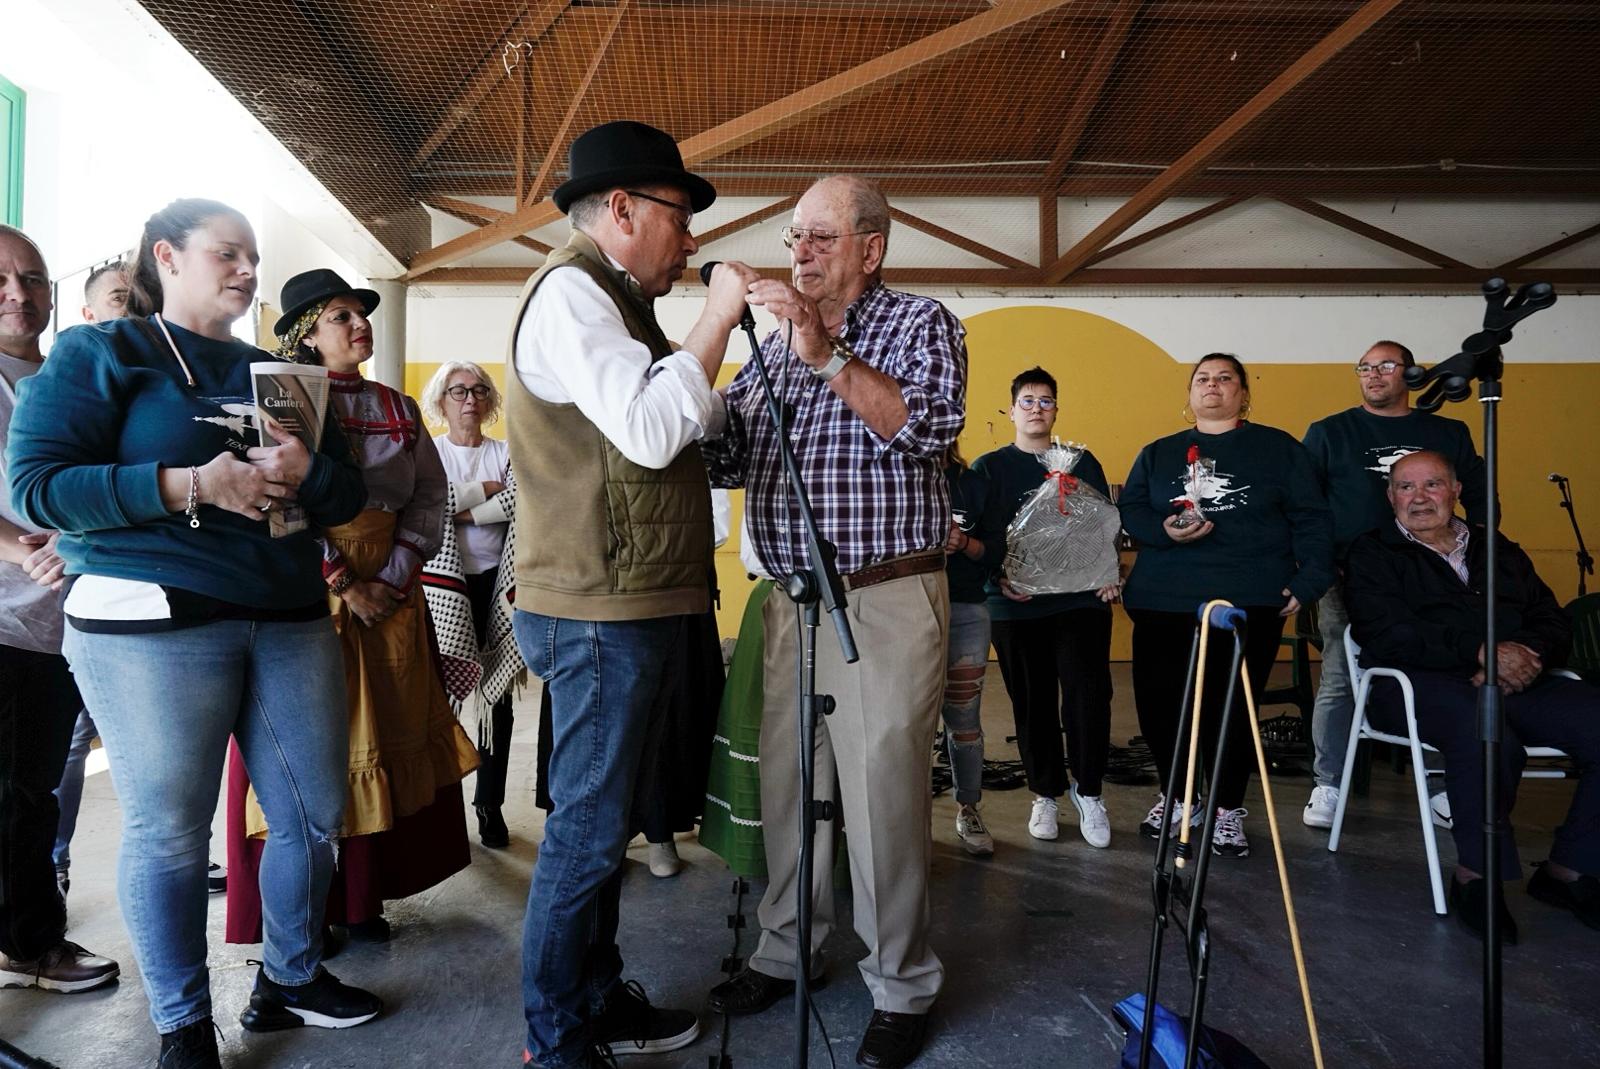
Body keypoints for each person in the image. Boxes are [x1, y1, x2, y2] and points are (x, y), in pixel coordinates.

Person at [6, 201, 379, 1068]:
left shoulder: (277, 371)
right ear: (166, 257)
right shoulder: (102, 353)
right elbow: (36, 488)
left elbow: (348, 497)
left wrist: (308, 471)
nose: (247, 269)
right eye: (228, 253)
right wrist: (184, 485)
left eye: (253, 255)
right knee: (170, 829)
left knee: (314, 814)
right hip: (151, 618)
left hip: (287, 614)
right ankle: (181, 1022)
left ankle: (288, 978)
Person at [505, 120, 757, 1069]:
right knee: (585, 829)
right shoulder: (571, 294)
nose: (691, 241)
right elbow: (652, 431)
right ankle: (556, 1038)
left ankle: (595, 995)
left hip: (632, 597)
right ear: (621, 209)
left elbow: (657, 418)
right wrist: (720, 316)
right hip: (597, 607)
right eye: (680, 217)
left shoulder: (611, 301)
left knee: (604, 827)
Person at [703, 174, 966, 1069]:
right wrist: (689, 384)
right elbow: (729, 453)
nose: (799, 254)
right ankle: (788, 948)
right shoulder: (769, 346)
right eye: (793, 239)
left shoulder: (920, 324)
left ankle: (900, 981)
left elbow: (926, 428)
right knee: (791, 787)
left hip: (886, 596)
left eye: (819, 237)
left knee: (882, 794)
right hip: (791, 600)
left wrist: (822, 352)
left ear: (871, 248)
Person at [226, 270, 479, 948]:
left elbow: (428, 497)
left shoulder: (396, 405)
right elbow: (278, 499)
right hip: (306, 588)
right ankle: (311, 908)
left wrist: (394, 575)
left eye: (360, 314)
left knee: (381, 740)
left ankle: (364, 902)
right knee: (318, 749)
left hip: (392, 594)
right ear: (307, 331)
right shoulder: (285, 401)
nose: (358, 325)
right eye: (341, 316)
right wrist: (343, 580)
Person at [1345, 450, 1600, 939]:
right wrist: (1482, 653)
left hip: (1515, 679)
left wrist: (1527, 655)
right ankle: (1476, 877)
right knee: (1484, 732)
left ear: (1456, 491)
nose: (1419, 498)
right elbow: (1387, 633)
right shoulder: (1372, 552)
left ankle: (1569, 869)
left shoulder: (1496, 547)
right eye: (1405, 487)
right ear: (1390, 496)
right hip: (1415, 683)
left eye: (1432, 485)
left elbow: (1551, 617)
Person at [1119, 353, 1333, 859]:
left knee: (1232, 707)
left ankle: (1226, 808)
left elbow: (1313, 517)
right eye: (1202, 379)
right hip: (1162, 599)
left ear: (1243, 393)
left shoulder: (1280, 450)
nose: (1212, 386)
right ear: (1189, 394)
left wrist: (1310, 581)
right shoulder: (1158, 452)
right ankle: (1179, 797)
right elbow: (1130, 509)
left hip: (1247, 597)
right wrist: (1164, 531)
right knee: (1159, 704)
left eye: (1224, 378)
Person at [1299, 340, 1489, 830]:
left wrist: (1482, 558)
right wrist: (1320, 567)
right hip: (1351, 577)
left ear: (1411, 372)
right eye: (1365, 366)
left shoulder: (1448, 430)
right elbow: (1305, 509)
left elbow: (1484, 500)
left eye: (1385, 365)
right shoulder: (1329, 432)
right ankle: (1329, 783)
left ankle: (1449, 783)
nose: (1374, 374)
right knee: (1342, 678)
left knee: (1449, 668)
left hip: (1437, 573)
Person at [0, 224, 120, 996]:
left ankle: (26, 943)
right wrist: (21, 551)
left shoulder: (67, 380)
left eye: (33, 279)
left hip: (66, 622)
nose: (19, 294)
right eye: (3, 280)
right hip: (8, 615)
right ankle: (31, 943)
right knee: (12, 792)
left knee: (35, 790)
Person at [974, 367, 1120, 848]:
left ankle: (1090, 792)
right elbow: (977, 536)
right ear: (1011, 410)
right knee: (1032, 703)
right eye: (1028, 400)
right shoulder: (990, 468)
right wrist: (997, 577)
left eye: (1046, 401)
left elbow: (1104, 524)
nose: (1037, 408)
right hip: (1016, 607)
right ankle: (1044, 793)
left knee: (1088, 696)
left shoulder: (1080, 461)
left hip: (1080, 602)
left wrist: (1108, 573)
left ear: (1057, 410)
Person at [419, 360, 522, 849]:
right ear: (441, 401)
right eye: (458, 391)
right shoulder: (430, 454)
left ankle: (490, 804)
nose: (470, 400)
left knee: (496, 700)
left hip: (498, 586)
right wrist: (484, 492)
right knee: (441, 702)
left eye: (479, 390)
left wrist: (453, 508)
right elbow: (423, 507)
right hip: (442, 591)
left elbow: (521, 503)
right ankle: (441, 810)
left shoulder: (506, 452)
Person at [940, 442, 1006, 856]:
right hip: (903, 611)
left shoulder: (973, 485)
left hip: (965, 609)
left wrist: (963, 543)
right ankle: (905, 819)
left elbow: (995, 551)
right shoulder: (892, 477)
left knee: (964, 714)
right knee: (905, 720)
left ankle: (969, 807)